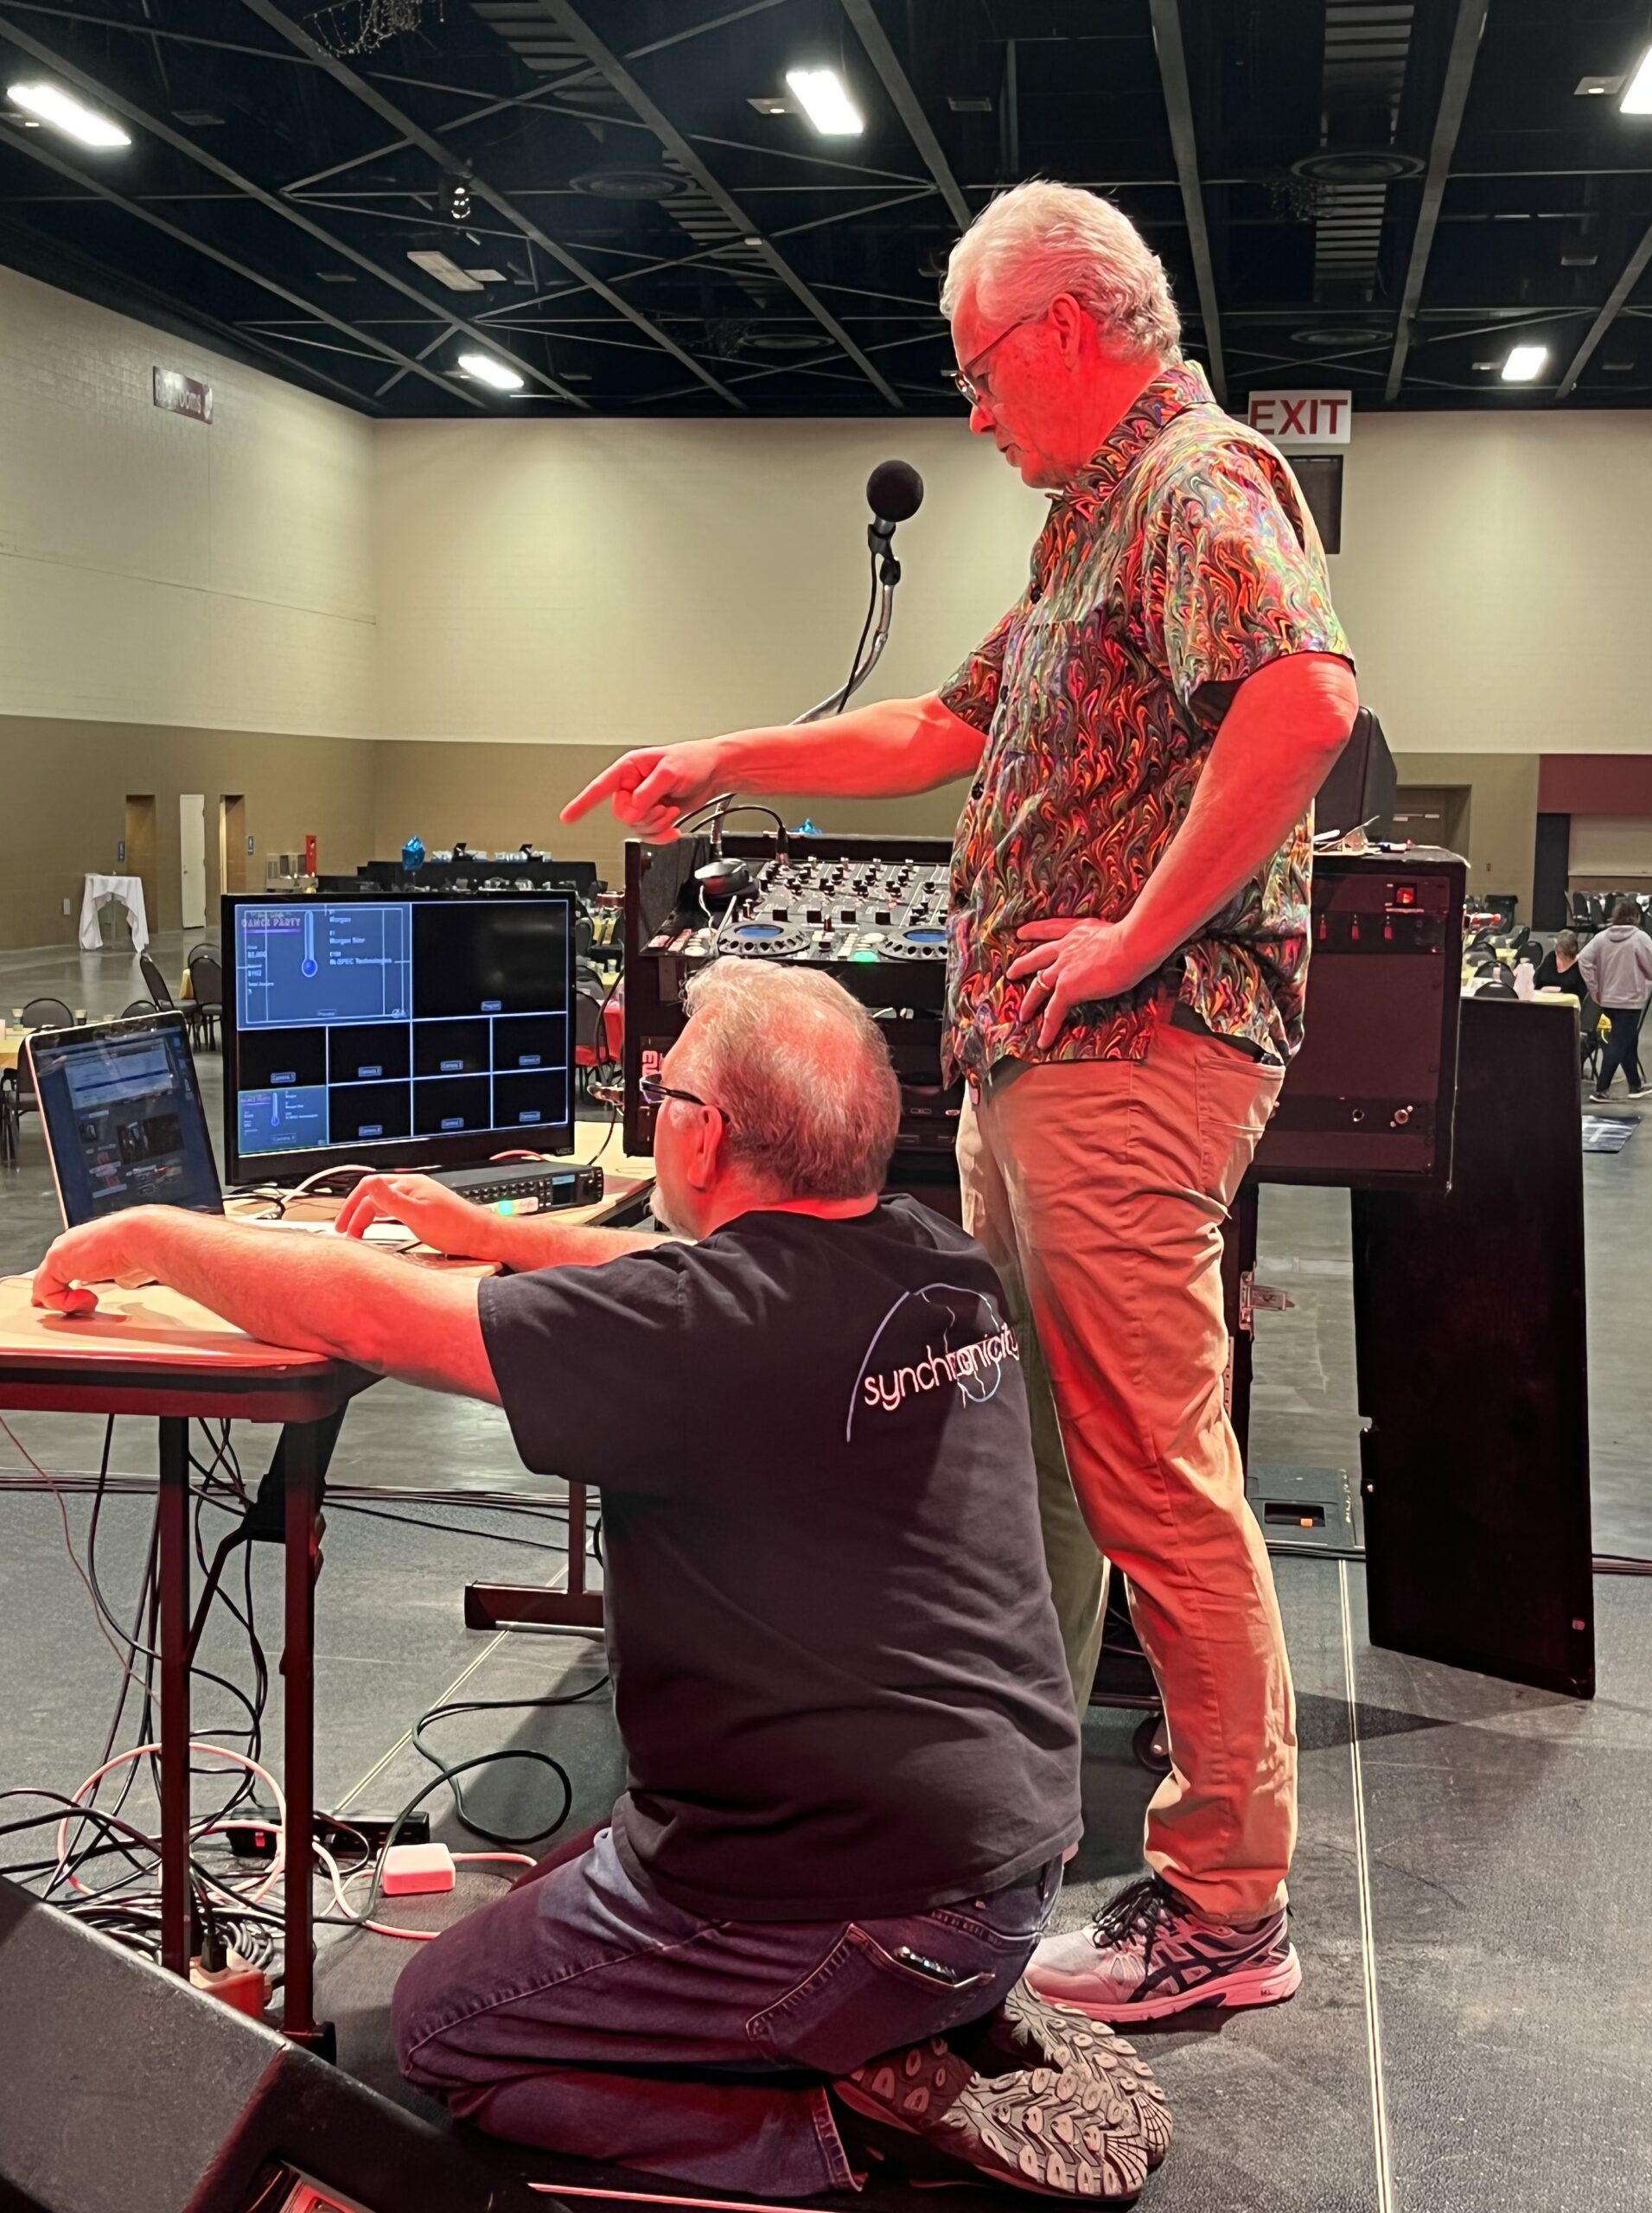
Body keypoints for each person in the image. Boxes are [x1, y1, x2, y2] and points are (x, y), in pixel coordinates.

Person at [564, 179, 1356, 2021]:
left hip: (1131, 1057)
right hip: (1052, 1063)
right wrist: (723, 752)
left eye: (981, 365)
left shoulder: (1196, 481)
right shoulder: (1094, 527)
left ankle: (1227, 1904)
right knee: (1066, 1462)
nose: (974, 407)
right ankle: (1024, 1812)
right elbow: (941, 729)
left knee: (1156, 1475)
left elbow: (1305, 704)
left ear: (1068, 324)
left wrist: (1135, 934)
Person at [31, 960, 1169, 2204]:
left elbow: (373, 1312)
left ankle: (845, 2121)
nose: (653, 1103)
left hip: (855, 1907)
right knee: (583, 1872)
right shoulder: (930, 1260)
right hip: (1009, 1868)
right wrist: (493, 1232)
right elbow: (660, 1286)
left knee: (450, 2026)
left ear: (707, 1133)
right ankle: (923, 2023)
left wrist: (149, 1235)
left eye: (662, 1088)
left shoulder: (700, 1328)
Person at [1579, 898, 1652, 1102]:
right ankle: (1601, 1089)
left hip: (1607, 1000)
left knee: (1628, 1042)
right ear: (1636, 916)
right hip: (1630, 1001)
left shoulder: (1601, 937)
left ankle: (1635, 1085)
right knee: (1618, 1043)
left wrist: (1594, 988)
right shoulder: (1639, 938)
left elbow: (1584, 960)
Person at [1537, 929, 1586, 998]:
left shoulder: (1580, 965)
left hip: (1568, 1007)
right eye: (1558, 951)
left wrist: (1557, 990)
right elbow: (1537, 981)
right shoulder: (1551, 957)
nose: (1558, 954)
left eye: (1561, 952)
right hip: (1543, 1003)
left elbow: (1582, 994)